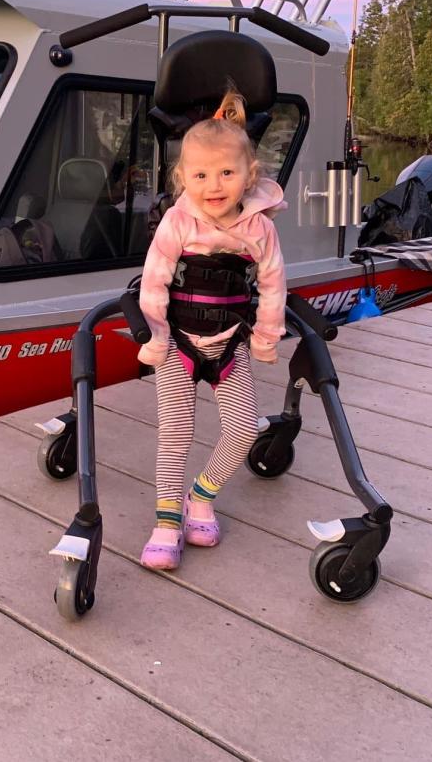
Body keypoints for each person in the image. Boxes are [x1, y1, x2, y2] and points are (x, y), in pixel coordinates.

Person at [136, 86, 287, 570]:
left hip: (229, 344)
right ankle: (165, 521)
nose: (214, 185)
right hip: (179, 340)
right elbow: (155, 279)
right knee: (175, 434)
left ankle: (201, 498)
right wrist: (156, 335)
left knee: (244, 428)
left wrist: (266, 337)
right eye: (200, 175)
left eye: (227, 172)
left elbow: (273, 283)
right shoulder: (178, 222)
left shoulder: (260, 228)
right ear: (183, 177)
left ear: (250, 175)